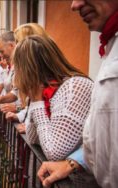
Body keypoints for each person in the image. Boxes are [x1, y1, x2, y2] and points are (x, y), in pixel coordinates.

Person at [37, 1, 118, 188]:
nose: (75, 5)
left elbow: (53, 151)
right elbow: (101, 139)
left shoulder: (75, 86)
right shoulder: (110, 47)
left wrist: (35, 100)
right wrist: (74, 162)